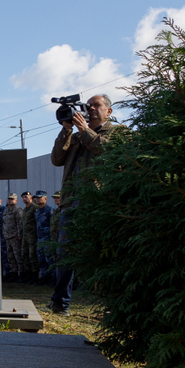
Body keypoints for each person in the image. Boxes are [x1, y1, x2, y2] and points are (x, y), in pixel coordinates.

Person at [49, 94, 118, 315]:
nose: (91, 108)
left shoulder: (117, 132)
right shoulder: (77, 135)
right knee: (65, 253)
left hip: (97, 202)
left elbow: (108, 152)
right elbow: (56, 159)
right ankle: (60, 303)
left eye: (97, 105)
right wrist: (67, 130)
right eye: (89, 105)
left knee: (103, 253)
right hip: (71, 202)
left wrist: (84, 130)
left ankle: (112, 306)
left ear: (108, 111)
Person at [1, 192, 23, 282]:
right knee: (10, 256)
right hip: (7, 237)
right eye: (9, 199)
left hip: (15, 236)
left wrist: (19, 234)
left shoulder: (17, 210)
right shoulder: (6, 211)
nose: (10, 201)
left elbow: (20, 223)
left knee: (18, 256)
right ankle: (14, 273)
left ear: (16, 201)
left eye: (12, 199)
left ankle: (21, 274)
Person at [33, 191, 53, 283]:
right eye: (37, 198)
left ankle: (52, 278)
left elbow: (52, 225)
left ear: (45, 198)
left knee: (49, 259)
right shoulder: (37, 211)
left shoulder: (49, 210)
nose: (38, 200)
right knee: (41, 259)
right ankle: (44, 277)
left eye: (40, 198)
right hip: (40, 238)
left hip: (47, 238)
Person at [20, 191, 39, 283]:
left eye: (26, 197)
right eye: (23, 197)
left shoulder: (35, 208)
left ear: (31, 198)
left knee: (32, 255)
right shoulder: (25, 210)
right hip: (25, 236)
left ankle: (35, 275)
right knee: (25, 255)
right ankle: (28, 273)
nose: (24, 199)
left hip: (32, 235)